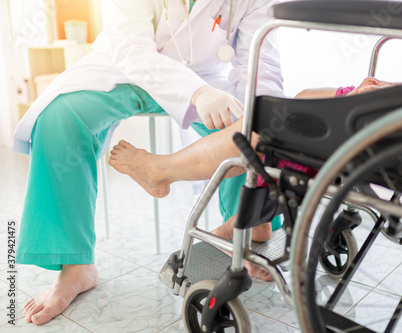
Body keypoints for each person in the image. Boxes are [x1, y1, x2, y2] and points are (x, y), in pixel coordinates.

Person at [108, 0, 402, 290]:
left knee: (269, 127)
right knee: (304, 96)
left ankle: (162, 171)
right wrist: (396, 90)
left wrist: (396, 98)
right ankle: (255, 219)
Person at [15, 0, 284, 325]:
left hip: (205, 74)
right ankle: (76, 267)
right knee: (58, 117)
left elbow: (260, 61)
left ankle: (245, 227)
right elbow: (131, 49)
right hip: (122, 69)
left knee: (247, 124)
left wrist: (260, 115)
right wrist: (196, 93)